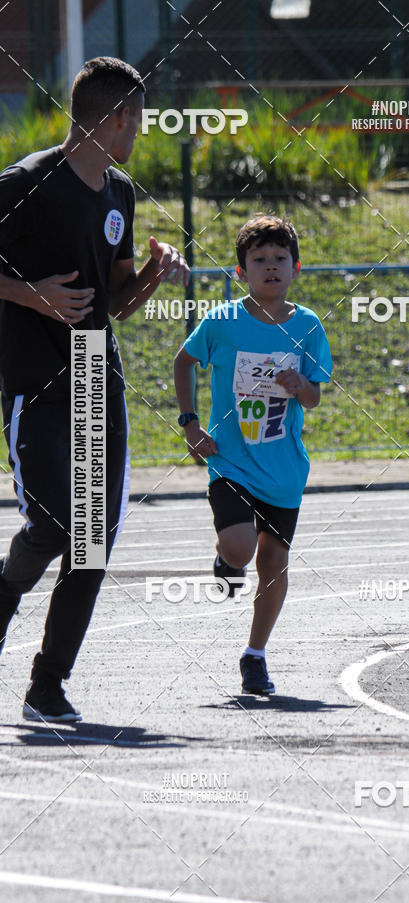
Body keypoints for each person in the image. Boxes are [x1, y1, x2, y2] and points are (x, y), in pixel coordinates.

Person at [0, 57, 189, 722]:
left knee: (91, 539)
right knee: (54, 524)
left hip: (93, 372)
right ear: (117, 117)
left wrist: (155, 275)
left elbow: (114, 301)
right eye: (137, 119)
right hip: (34, 378)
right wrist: (34, 295)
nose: (139, 131)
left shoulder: (120, 194)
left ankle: (47, 686)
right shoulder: (25, 182)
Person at [174, 214, 331, 695]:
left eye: (280, 258)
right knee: (241, 549)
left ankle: (255, 655)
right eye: (259, 260)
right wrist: (190, 423)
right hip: (231, 459)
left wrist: (300, 385)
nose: (271, 267)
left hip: (283, 470)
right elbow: (184, 361)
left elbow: (314, 397)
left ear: (296, 268)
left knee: (274, 564)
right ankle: (227, 560)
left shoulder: (307, 326)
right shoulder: (223, 322)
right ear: (241, 272)